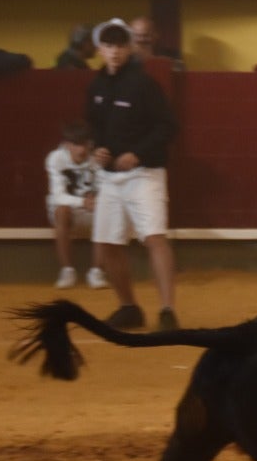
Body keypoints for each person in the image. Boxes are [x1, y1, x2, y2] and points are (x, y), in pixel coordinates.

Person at [85, 19, 179, 331]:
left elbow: (167, 126)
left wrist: (137, 152)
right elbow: (94, 126)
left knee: (154, 237)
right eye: (108, 46)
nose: (113, 52)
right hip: (110, 177)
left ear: (129, 49)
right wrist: (97, 148)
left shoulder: (143, 84)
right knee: (108, 244)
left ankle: (167, 310)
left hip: (145, 173)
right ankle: (128, 307)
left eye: (119, 46)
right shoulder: (97, 85)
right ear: (100, 50)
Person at [45, 120, 106, 291]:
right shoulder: (55, 158)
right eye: (76, 144)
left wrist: (97, 202)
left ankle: (96, 272)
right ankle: (67, 271)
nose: (82, 149)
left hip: (92, 210)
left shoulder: (98, 158)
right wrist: (82, 202)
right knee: (61, 211)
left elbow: (105, 187)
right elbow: (58, 196)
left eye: (85, 144)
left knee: (107, 210)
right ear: (66, 145)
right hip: (69, 211)